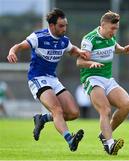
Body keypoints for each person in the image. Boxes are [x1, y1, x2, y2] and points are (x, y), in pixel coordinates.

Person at [7, 8, 90, 152]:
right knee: (57, 109)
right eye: (61, 26)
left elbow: (71, 49)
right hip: (37, 78)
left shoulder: (64, 41)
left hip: (52, 79)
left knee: (73, 113)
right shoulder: (38, 37)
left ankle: (43, 119)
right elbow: (19, 46)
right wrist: (12, 52)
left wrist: (80, 52)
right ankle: (70, 140)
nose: (64, 29)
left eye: (66, 26)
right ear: (51, 26)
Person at [76, 11, 129, 155]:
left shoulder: (111, 37)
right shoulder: (89, 39)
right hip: (92, 78)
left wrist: (123, 50)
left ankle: (105, 134)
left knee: (127, 105)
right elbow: (79, 62)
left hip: (108, 79)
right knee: (105, 110)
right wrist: (91, 64)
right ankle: (109, 145)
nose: (114, 32)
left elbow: (115, 48)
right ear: (103, 25)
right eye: (112, 28)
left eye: (116, 29)